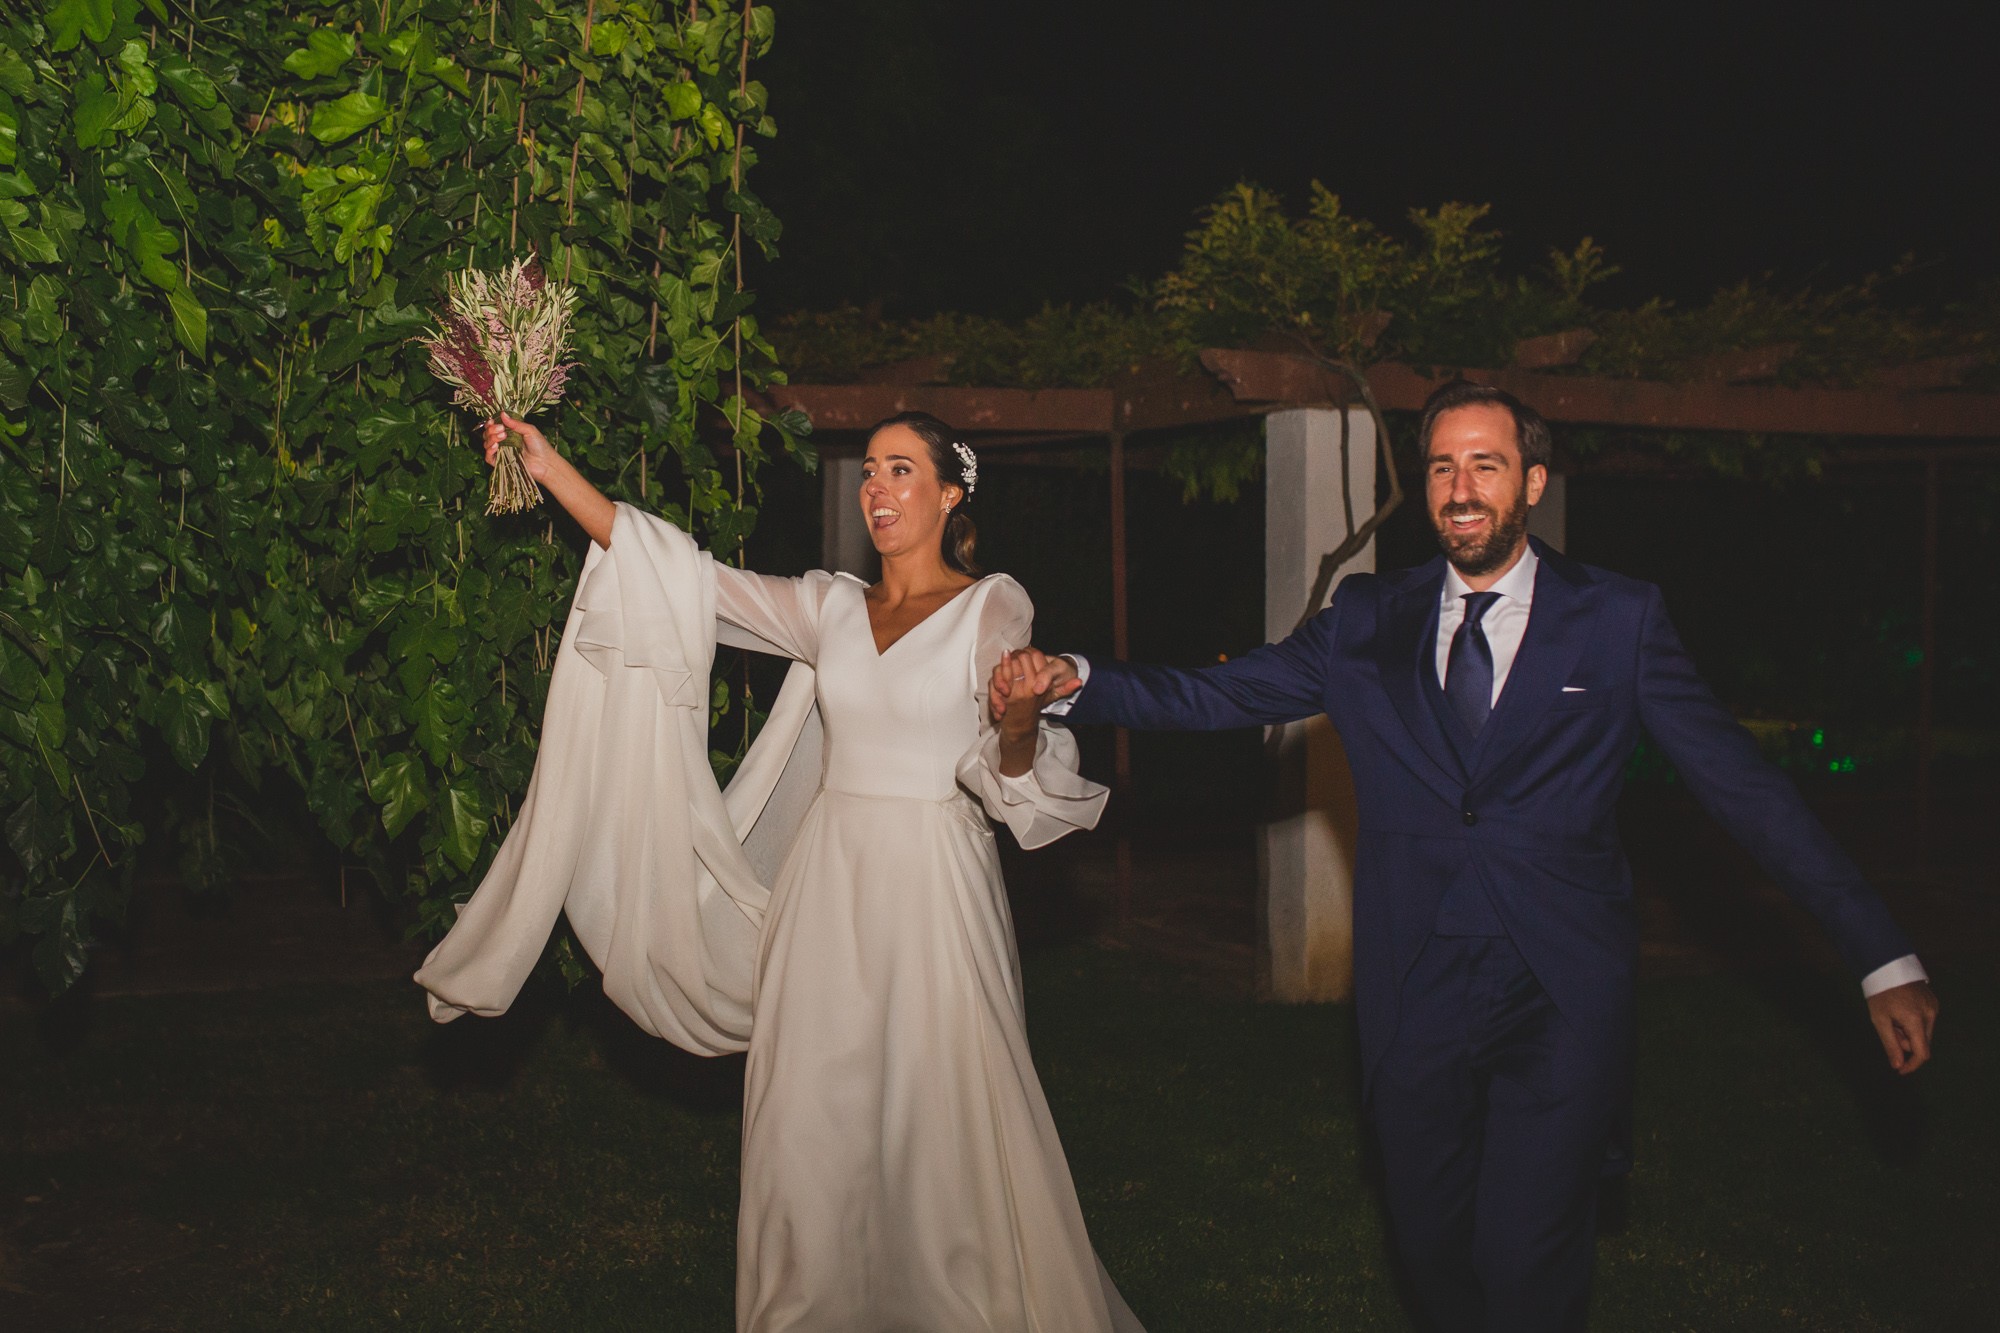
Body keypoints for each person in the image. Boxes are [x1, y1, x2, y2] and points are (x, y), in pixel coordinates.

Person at [994, 380, 1938, 1332]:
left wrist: (1878, 953)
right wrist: (1078, 678)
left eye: (1485, 464)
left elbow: (1746, 789)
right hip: (1416, 983)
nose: (1459, 488)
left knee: (1527, 1256)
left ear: (1530, 481)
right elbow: (1220, 696)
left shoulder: (1618, 618)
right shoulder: (1368, 617)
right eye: (1442, 465)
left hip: (1559, 986)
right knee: (1432, 1245)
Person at [417, 410, 1143, 1332]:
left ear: (950, 494)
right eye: (870, 470)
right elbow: (686, 580)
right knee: (807, 1119)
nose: (877, 488)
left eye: (901, 470)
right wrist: (551, 466)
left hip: (934, 889)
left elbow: (1008, 764)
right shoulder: (832, 606)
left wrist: (1016, 716)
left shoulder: (992, 604)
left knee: (941, 1115)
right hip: (827, 889)